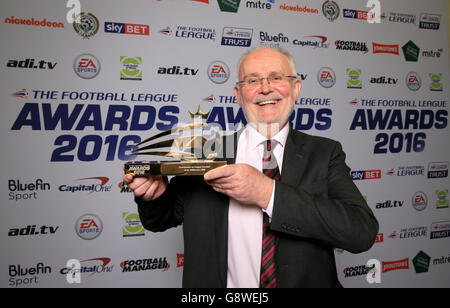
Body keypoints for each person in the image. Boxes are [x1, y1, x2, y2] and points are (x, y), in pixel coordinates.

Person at [123, 47, 379, 288]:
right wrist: (154, 197)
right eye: (253, 81)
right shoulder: (206, 151)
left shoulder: (325, 153)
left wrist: (268, 193)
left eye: (276, 77)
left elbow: (361, 232)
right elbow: (161, 218)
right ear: (238, 94)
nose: (265, 89)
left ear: (296, 87)